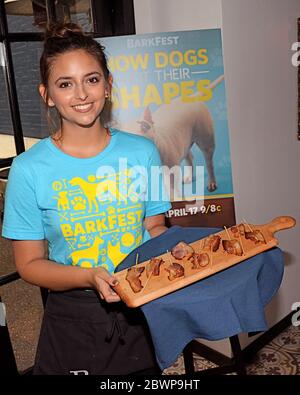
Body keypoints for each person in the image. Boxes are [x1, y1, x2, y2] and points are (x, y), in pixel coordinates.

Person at [2, 22, 171, 375]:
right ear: (47, 94)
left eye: (91, 79)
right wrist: (88, 276)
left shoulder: (143, 151)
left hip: (141, 307)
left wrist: (174, 249)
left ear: (108, 86)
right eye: (65, 84)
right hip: (73, 316)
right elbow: (30, 264)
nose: (81, 94)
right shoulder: (28, 169)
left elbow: (154, 226)